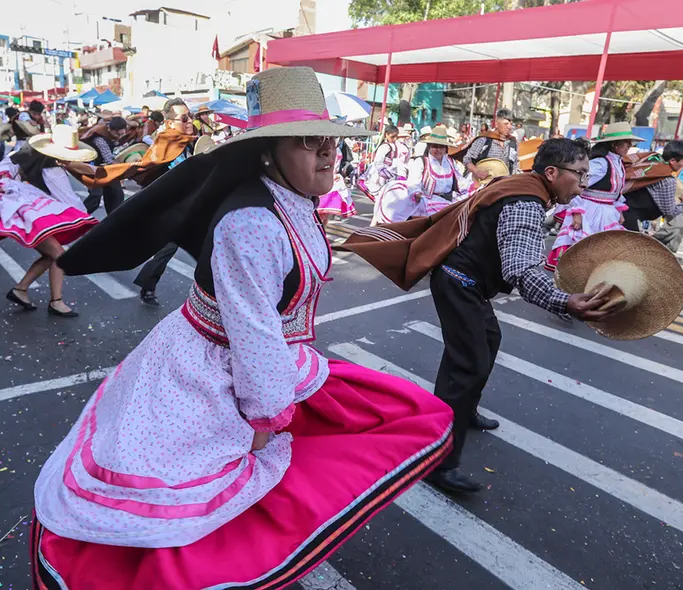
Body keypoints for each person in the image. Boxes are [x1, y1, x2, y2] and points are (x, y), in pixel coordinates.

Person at [29, 66, 453, 589]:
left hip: (268, 361)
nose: (327, 152)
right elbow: (254, 340)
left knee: (401, 419)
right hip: (217, 372)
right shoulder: (250, 223)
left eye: (330, 140)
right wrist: (263, 424)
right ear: (268, 151)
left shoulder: (288, 199)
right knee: (195, 521)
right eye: (308, 141)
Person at [340, 138, 620, 494]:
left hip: (464, 280)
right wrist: (563, 302)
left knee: (487, 341)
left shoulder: (524, 186)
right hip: (460, 281)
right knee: (467, 365)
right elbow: (520, 268)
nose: (584, 183)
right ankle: (439, 461)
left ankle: (463, 411)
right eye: (579, 174)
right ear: (552, 172)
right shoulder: (526, 201)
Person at [0, 127, 100, 318]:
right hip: (31, 216)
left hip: (16, 209)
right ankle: (55, 301)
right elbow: (71, 202)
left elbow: (2, 171)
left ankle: (21, 290)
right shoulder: (52, 169)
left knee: (51, 256)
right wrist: (89, 221)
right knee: (58, 255)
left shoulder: (19, 155)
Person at [131, 98, 197, 305]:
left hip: (192, 205)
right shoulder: (163, 145)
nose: (190, 122)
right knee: (168, 248)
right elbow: (149, 173)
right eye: (184, 118)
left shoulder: (187, 141)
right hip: (172, 209)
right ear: (169, 123)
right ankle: (147, 285)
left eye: (191, 117)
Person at [545, 122, 637, 270]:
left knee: (600, 257)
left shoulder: (618, 163)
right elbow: (576, 185)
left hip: (606, 214)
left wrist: (618, 211)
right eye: (626, 142)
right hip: (590, 213)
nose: (629, 145)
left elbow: (615, 193)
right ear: (614, 144)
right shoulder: (601, 163)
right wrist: (576, 213)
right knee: (582, 254)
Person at [373, 124, 461, 225]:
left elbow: (460, 181)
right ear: (429, 147)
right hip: (427, 202)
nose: (438, 150)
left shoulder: (451, 163)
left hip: (448, 202)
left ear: (446, 148)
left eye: (441, 147)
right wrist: (417, 193)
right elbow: (413, 182)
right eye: (434, 146)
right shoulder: (421, 162)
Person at [620, 140, 683, 252]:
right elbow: (670, 211)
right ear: (673, 161)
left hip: (619, 205)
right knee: (630, 251)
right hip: (628, 213)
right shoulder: (667, 180)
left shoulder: (651, 157)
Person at [454, 108, 519, 185]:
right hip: (481, 183)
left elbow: (515, 165)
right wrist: (477, 172)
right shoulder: (484, 139)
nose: (509, 127)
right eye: (506, 124)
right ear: (497, 124)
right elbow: (467, 159)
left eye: (511, 124)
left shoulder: (513, 142)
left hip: (503, 184)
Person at [81, 116, 130, 215]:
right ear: (109, 130)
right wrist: (128, 169)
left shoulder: (120, 134)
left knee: (117, 195)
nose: (119, 136)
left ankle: (114, 221)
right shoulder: (100, 138)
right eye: (116, 134)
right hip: (92, 167)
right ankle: (81, 217)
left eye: (122, 134)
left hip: (106, 168)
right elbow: (109, 160)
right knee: (96, 196)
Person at [357, 124, 400, 201]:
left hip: (388, 172)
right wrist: (382, 171)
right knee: (379, 195)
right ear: (386, 135)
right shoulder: (384, 146)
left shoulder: (393, 146)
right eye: (393, 137)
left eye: (396, 136)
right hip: (379, 173)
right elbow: (378, 161)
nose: (395, 139)